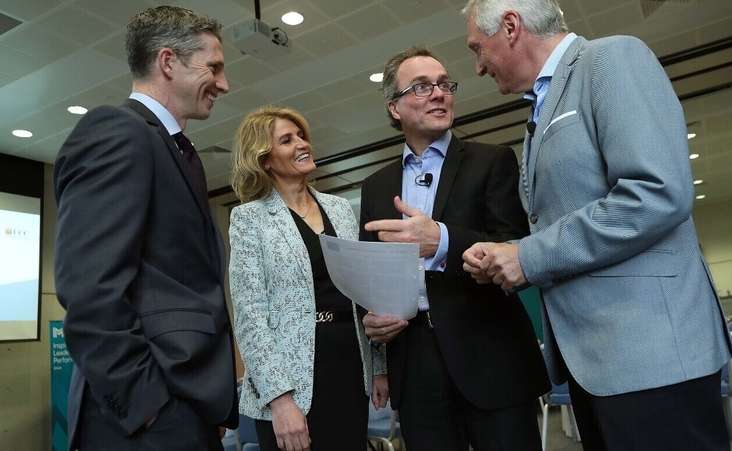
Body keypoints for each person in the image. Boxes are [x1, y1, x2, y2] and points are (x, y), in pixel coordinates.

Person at [460, 1, 732, 450]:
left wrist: (529, 256)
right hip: (596, 363)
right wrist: (506, 252)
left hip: (650, 354)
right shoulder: (542, 107)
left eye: (478, 48)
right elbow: (569, 214)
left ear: (511, 27)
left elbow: (656, 192)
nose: (477, 67)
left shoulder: (610, 59)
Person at [53, 6, 237, 451]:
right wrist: (148, 406)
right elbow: (89, 289)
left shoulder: (174, 147)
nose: (224, 83)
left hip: (187, 406)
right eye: (213, 67)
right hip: (144, 422)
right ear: (168, 62)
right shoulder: (118, 131)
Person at [359, 45, 549, 451]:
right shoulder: (375, 187)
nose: (440, 93)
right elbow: (370, 272)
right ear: (395, 108)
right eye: (422, 86)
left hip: (488, 351)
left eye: (445, 84)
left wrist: (441, 241)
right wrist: (372, 322)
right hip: (414, 361)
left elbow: (514, 245)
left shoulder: (492, 161)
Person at [228, 106, 389, 451]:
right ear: (265, 159)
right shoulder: (249, 219)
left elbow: (363, 294)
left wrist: (378, 365)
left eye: (302, 136)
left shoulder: (340, 209)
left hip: (348, 364)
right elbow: (250, 317)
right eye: (287, 140)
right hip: (290, 383)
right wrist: (280, 400)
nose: (303, 144)